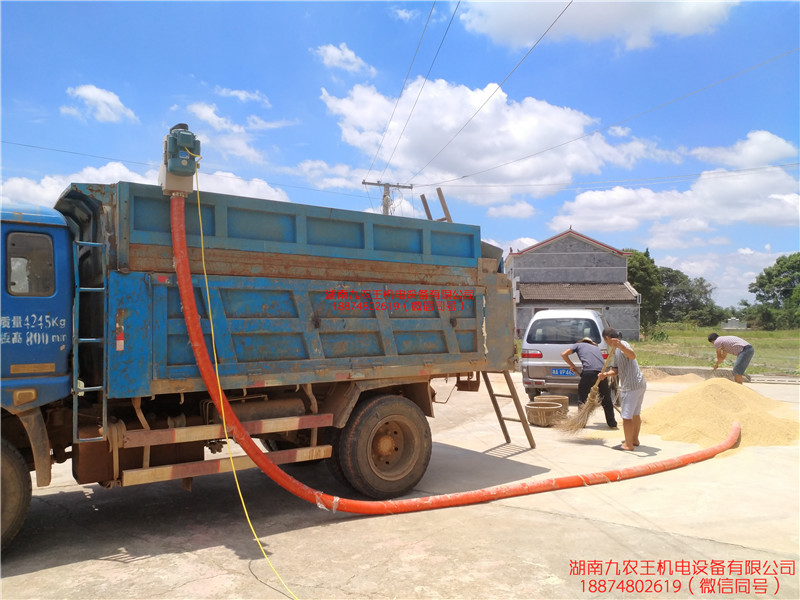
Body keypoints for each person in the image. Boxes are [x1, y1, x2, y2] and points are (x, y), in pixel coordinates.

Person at [598, 328, 646, 451]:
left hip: (631, 386)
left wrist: (620, 346)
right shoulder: (615, 350)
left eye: (605, 340)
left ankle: (628, 444)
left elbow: (632, 355)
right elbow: (616, 370)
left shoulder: (623, 345)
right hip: (639, 384)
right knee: (635, 414)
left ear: (607, 338)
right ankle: (634, 439)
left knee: (626, 416)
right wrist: (605, 375)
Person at [561, 338, 617, 428]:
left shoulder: (578, 345)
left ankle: (581, 422)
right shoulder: (596, 348)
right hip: (601, 373)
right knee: (606, 398)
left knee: (582, 397)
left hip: (588, 372)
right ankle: (612, 423)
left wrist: (572, 365)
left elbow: (564, 354)